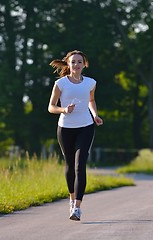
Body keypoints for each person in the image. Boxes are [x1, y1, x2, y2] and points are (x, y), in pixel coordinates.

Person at [48, 50, 103, 220]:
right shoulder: (61, 84)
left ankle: (77, 208)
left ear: (84, 64)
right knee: (70, 165)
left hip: (85, 126)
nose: (76, 65)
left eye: (79, 62)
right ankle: (71, 199)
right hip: (65, 128)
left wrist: (94, 115)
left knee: (80, 166)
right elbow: (51, 107)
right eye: (73, 62)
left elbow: (91, 101)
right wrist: (64, 109)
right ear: (68, 64)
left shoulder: (91, 83)